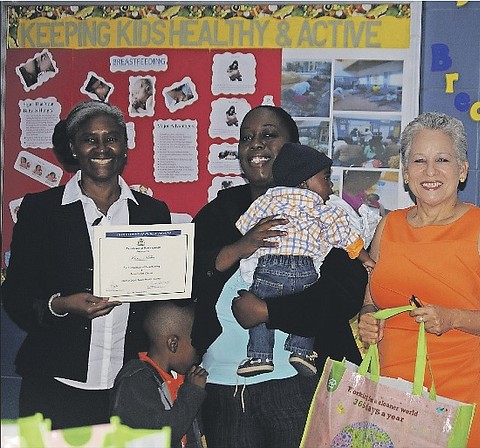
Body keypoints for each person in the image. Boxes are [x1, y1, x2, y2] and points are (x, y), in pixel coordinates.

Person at [190, 105, 368, 447]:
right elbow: (186, 279)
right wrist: (240, 247)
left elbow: (343, 295)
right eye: (247, 138)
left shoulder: (327, 212)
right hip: (221, 386)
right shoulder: (219, 212)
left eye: (269, 135)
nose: (256, 145)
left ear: (293, 150)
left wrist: (270, 313)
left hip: (300, 383)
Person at [1, 100, 171, 429]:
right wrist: (60, 305)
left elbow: (160, 297)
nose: (102, 147)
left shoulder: (152, 213)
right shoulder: (41, 211)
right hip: (54, 385)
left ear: (124, 146)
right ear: (73, 148)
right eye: (89, 139)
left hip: (131, 386)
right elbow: (17, 293)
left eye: (111, 138)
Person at [357, 112, 480, 448]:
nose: (430, 172)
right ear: (406, 173)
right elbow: (371, 299)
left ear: (462, 170)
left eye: (442, 160)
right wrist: (368, 318)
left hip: (456, 392)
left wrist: (452, 318)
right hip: (387, 391)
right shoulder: (388, 226)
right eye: (419, 161)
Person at [235, 142, 375, 378]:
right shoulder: (323, 208)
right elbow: (345, 236)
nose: (330, 187)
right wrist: (364, 257)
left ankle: (260, 356)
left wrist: (248, 240)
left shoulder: (268, 200)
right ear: (304, 183)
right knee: (307, 300)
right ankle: (301, 351)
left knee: (255, 301)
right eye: (326, 179)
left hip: (270, 268)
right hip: (304, 270)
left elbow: (245, 225)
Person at [111, 302, 207, 448]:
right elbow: (160, 436)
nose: (200, 351)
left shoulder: (181, 377)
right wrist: (193, 392)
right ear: (173, 343)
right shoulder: (136, 381)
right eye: (196, 343)